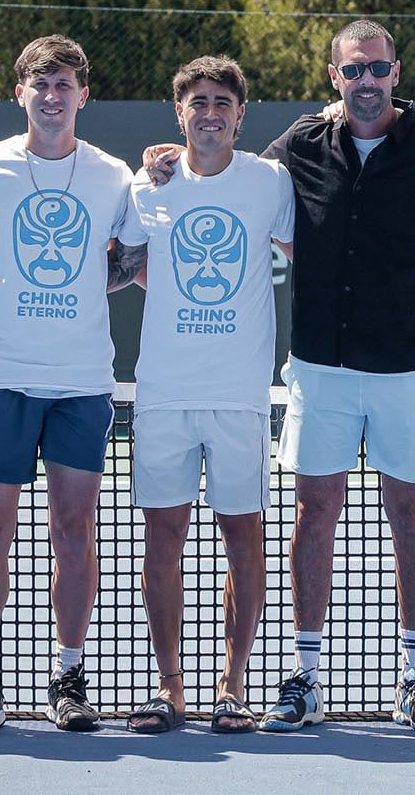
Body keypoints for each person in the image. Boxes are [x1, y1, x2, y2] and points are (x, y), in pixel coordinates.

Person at [155, 19, 415, 733]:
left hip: (409, 368)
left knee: (412, 515)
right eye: (353, 71)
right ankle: (305, 676)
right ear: (333, 75)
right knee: (314, 515)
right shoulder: (299, 147)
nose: (366, 82)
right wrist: (170, 159)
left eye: (377, 69)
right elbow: (231, 185)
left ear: (396, 73)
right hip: (321, 367)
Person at [0, 35, 142, 735]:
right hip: (0, 380)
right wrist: (7, 321)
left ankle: (68, 675)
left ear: (82, 95)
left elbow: (128, 259)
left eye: (64, 84)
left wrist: (91, 286)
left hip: (82, 384)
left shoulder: (113, 175)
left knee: (73, 529)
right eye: (41, 84)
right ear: (20, 93)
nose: (53, 96)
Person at [116, 56, 293, 734]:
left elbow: (310, 247)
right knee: (163, 538)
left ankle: (231, 685)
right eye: (199, 103)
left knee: (241, 536)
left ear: (240, 116)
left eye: (223, 103)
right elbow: (125, 263)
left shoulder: (267, 182)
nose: (211, 114)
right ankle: (170, 687)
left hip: (240, 397)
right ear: (179, 112)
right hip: (163, 394)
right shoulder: (148, 188)